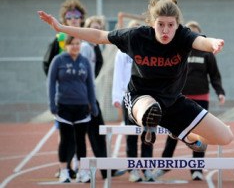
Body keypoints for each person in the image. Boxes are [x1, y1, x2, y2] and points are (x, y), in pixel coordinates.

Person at [38, 0, 233, 162]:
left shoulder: (183, 36)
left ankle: (183, 132)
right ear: (152, 23)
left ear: (177, 24)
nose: (165, 30)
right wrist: (62, 28)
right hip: (140, 99)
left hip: (173, 102)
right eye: (160, 25)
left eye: (170, 25)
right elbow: (99, 35)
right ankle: (153, 123)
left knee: (225, 136)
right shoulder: (136, 36)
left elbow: (201, 41)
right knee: (150, 108)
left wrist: (213, 43)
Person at [153, 21, 226, 181]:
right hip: (179, 99)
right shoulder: (177, 53)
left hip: (201, 98)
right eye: (188, 33)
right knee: (173, 133)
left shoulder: (207, 54)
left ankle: (197, 168)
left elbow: (214, 75)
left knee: (200, 133)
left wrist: (220, 92)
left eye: (195, 34)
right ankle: (164, 165)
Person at [42, 0, 87, 179]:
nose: (74, 19)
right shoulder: (59, 39)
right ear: (64, 18)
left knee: (82, 135)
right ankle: (65, 166)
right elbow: (48, 65)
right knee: (64, 134)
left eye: (77, 16)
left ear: (82, 18)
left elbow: (96, 63)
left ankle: (80, 166)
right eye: (70, 16)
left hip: (82, 94)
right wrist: (60, 81)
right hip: (65, 96)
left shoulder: (87, 35)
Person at [47, 35, 98, 183]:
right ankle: (64, 171)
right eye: (72, 44)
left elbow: (90, 84)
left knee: (81, 140)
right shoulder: (58, 60)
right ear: (66, 45)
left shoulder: (85, 61)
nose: (75, 46)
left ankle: (82, 171)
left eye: (78, 43)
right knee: (66, 140)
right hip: (64, 107)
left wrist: (93, 104)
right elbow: (50, 84)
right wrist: (52, 104)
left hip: (82, 107)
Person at [112, 20, 154, 182]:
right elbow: (118, 75)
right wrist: (117, 97)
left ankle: (147, 167)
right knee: (131, 135)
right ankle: (133, 169)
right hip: (129, 97)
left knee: (149, 133)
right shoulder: (122, 52)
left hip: (148, 98)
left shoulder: (149, 50)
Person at [81, 15, 120, 179]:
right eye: (93, 28)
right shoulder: (85, 47)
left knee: (97, 133)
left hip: (90, 96)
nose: (96, 31)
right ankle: (79, 170)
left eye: (99, 28)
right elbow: (82, 73)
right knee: (84, 134)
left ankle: (105, 169)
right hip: (83, 98)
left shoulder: (95, 48)